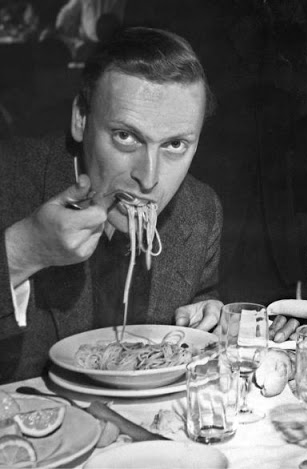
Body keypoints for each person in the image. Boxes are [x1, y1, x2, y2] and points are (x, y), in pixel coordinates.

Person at [0, 27, 223, 383]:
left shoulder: (200, 209)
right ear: (81, 118)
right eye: (125, 136)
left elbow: (199, 297)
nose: (148, 178)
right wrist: (23, 252)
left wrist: (205, 314)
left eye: (175, 145)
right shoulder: (10, 177)